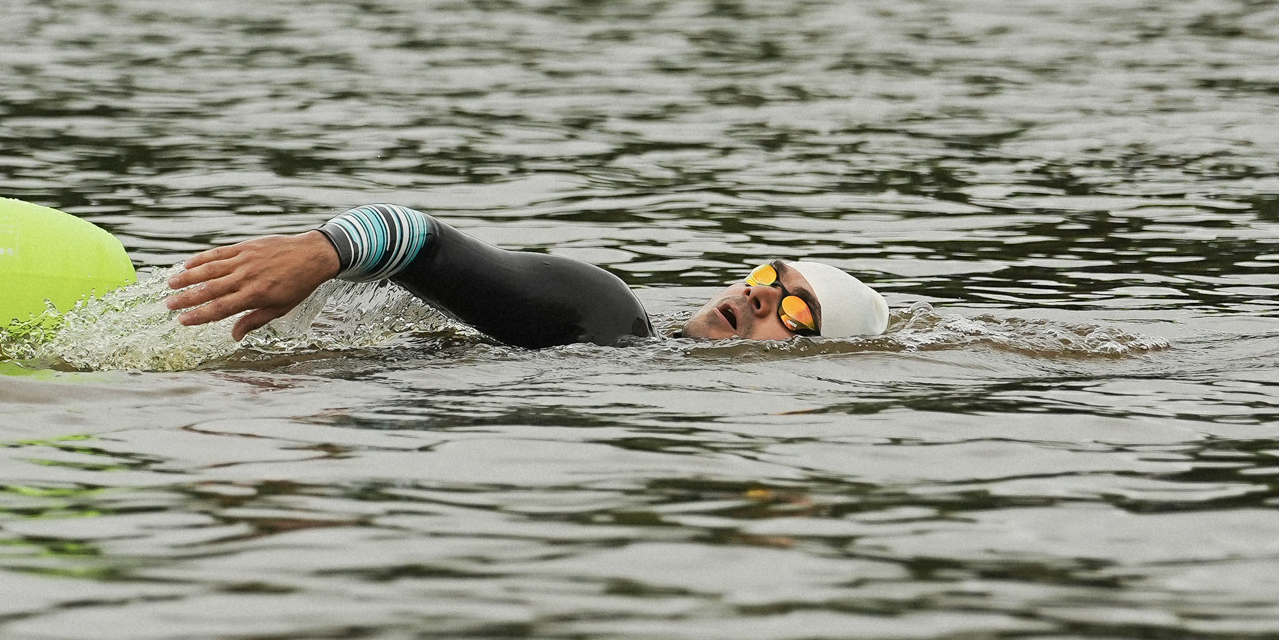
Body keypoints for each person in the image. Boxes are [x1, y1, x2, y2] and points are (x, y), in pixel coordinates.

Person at [164, 204, 888, 349]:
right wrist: (322, 252)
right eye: (769, 276)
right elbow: (422, 238)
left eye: (794, 312)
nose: (761, 295)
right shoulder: (606, 314)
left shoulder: (615, 345)